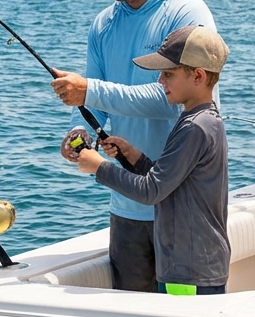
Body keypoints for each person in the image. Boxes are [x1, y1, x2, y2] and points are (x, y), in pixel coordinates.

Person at [54, 0, 216, 292]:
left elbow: (170, 100)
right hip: (125, 207)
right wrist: (81, 131)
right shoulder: (103, 24)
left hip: (181, 213)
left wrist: (89, 91)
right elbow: (96, 103)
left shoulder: (186, 12)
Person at [76, 25, 231, 296]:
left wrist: (99, 167)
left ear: (198, 75)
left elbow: (152, 191)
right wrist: (133, 157)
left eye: (168, 74)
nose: (160, 81)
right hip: (196, 266)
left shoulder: (194, 127)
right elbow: (169, 181)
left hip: (188, 273)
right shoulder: (201, 120)